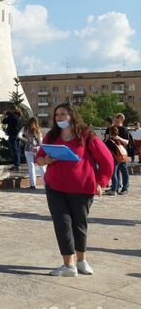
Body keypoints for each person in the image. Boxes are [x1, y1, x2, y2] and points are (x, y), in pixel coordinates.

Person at [35, 103, 114, 277]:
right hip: (55, 187)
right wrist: (46, 160)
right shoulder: (52, 135)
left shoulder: (87, 135)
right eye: (57, 115)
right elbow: (39, 159)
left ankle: (81, 260)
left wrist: (101, 182)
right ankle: (68, 265)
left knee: (79, 224)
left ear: (72, 115)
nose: (59, 117)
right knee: (62, 224)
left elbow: (107, 160)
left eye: (63, 114)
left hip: (82, 188)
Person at [104, 113, 131, 193]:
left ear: (121, 119)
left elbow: (127, 142)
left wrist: (118, 137)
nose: (114, 120)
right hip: (113, 152)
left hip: (121, 153)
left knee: (124, 170)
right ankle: (116, 186)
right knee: (116, 170)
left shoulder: (124, 130)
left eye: (116, 118)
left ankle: (125, 188)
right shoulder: (112, 128)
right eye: (114, 118)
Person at [20, 117, 44, 189]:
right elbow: (40, 142)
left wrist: (26, 140)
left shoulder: (25, 128)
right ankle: (46, 184)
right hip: (37, 149)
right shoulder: (37, 130)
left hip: (27, 149)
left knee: (31, 167)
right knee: (42, 167)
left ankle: (33, 185)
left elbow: (19, 136)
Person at [2, 107, 23, 171]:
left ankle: (16, 165)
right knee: (17, 150)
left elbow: (4, 121)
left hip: (13, 135)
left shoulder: (12, 116)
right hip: (18, 135)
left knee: (14, 150)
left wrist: (4, 115)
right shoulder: (19, 117)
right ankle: (18, 164)